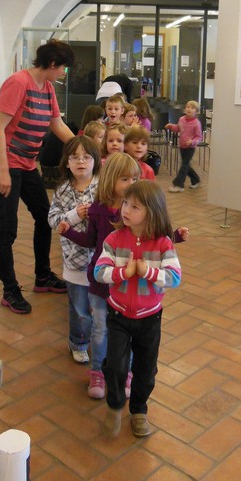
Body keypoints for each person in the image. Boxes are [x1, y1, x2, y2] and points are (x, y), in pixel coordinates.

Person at [0, 39, 75, 314]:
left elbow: (57, 124)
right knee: (7, 228)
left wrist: (84, 148)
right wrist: (3, 171)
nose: (64, 72)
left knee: (45, 217)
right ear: (52, 63)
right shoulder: (18, 83)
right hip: (4, 164)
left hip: (26, 164)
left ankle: (43, 276)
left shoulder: (47, 88)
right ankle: (9, 290)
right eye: (63, 68)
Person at [95, 180, 182, 437]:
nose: (126, 210)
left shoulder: (163, 244)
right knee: (115, 366)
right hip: (118, 314)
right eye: (125, 203)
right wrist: (124, 272)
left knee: (145, 369)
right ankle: (114, 405)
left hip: (150, 318)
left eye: (135, 207)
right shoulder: (114, 239)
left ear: (152, 212)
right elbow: (99, 272)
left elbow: (174, 277)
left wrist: (148, 272)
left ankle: (139, 410)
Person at [57, 152, 140, 398]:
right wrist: (68, 232)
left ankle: (125, 373)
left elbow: (153, 236)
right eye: (125, 179)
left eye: (135, 179)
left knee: (128, 331)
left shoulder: (137, 211)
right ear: (111, 180)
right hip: (102, 281)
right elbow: (91, 241)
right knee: (100, 329)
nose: (131, 184)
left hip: (127, 282)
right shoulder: (98, 210)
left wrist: (174, 236)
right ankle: (97, 373)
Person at [48, 135, 101, 364]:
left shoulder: (103, 187)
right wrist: (73, 216)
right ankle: (78, 343)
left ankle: (100, 342)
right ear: (67, 162)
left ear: (95, 161)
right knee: (80, 309)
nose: (81, 161)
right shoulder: (62, 191)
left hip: (101, 261)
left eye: (86, 157)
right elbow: (53, 219)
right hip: (74, 263)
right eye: (75, 157)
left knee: (99, 308)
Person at [165, 100, 203, 192]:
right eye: (188, 107)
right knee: (186, 165)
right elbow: (178, 128)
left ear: (196, 111)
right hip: (182, 146)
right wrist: (171, 126)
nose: (189, 109)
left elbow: (199, 137)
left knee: (184, 165)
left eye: (192, 108)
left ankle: (179, 185)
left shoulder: (196, 123)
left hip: (190, 147)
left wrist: (192, 142)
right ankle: (196, 180)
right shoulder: (181, 119)